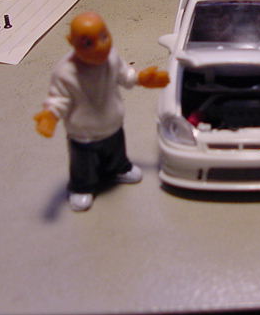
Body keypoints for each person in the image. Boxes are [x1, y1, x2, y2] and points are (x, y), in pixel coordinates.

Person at [34, 12, 169, 211]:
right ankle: (82, 187)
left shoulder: (112, 57)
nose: (100, 46)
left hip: (112, 122)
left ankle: (119, 169)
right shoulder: (65, 72)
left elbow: (125, 74)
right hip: (83, 131)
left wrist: (141, 78)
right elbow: (59, 98)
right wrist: (50, 115)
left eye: (104, 37)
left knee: (115, 151)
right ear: (71, 42)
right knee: (84, 163)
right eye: (88, 43)